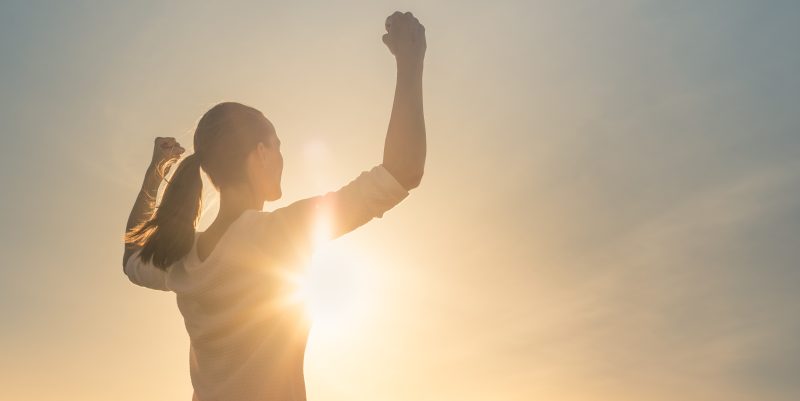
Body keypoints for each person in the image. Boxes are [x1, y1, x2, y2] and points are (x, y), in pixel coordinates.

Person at [121, 11, 426, 401]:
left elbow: (131, 257)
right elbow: (402, 172)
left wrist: (154, 173)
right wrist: (411, 61)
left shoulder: (182, 260)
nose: (283, 158)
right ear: (260, 154)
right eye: (278, 146)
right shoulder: (279, 234)